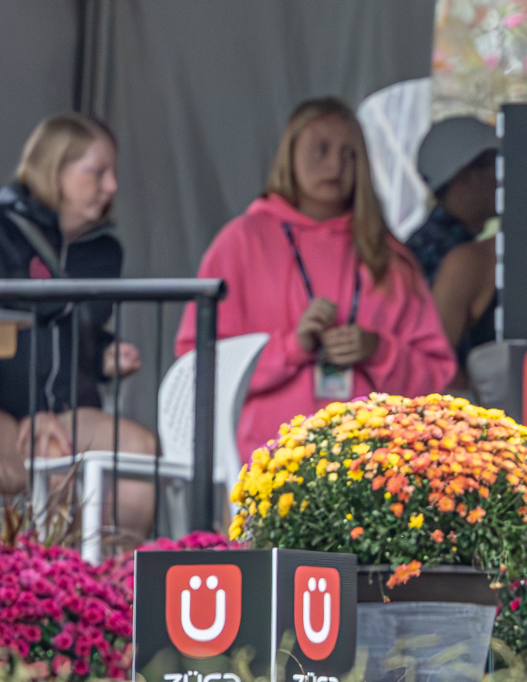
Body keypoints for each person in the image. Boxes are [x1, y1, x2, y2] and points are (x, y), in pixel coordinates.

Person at [0, 113, 157, 540]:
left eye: (112, 173)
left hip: (61, 412)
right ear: (55, 170)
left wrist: (102, 355)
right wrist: (28, 413)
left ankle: (116, 582)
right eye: (97, 173)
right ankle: (49, 592)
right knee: (50, 454)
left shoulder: (102, 253)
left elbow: (70, 339)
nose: (112, 186)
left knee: (138, 451)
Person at [178, 98, 456, 464]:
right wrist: (291, 347)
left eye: (349, 154)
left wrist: (379, 350)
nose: (334, 166)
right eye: (320, 150)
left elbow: (437, 377)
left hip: (377, 462)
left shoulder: (388, 256)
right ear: (289, 155)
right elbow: (197, 365)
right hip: (268, 459)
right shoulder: (241, 242)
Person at [403, 115, 499, 385]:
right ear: (463, 176)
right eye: (492, 165)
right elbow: (432, 363)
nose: (502, 176)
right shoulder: (451, 256)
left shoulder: (421, 246)